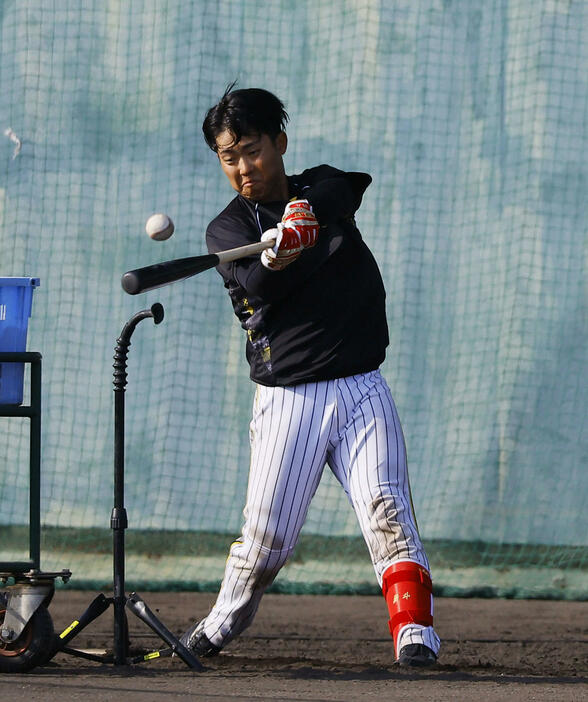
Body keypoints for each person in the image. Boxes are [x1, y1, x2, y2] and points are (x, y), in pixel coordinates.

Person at [180, 85, 441, 667]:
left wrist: (306, 215)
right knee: (267, 543)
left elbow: (350, 185)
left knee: (388, 510)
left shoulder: (319, 186)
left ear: (280, 144)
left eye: (253, 150)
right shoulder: (227, 233)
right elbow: (261, 288)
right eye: (229, 157)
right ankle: (216, 629)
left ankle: (414, 631)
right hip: (288, 400)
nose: (244, 168)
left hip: (362, 386)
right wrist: (276, 254)